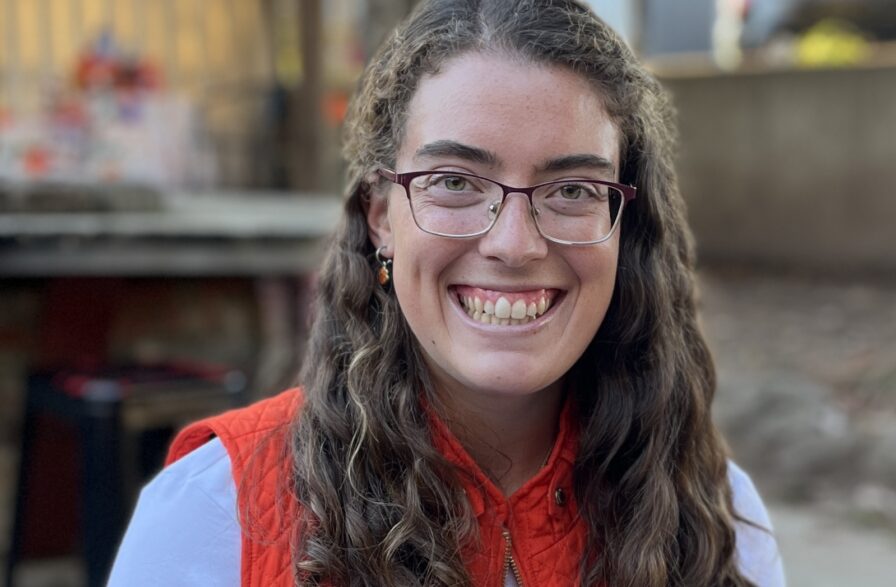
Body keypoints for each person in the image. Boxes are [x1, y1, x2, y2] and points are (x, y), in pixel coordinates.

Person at [109, 0, 785, 585]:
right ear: (381, 216)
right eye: (456, 181)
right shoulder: (214, 516)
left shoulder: (715, 519)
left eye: (573, 190)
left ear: (624, 227)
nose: (514, 243)